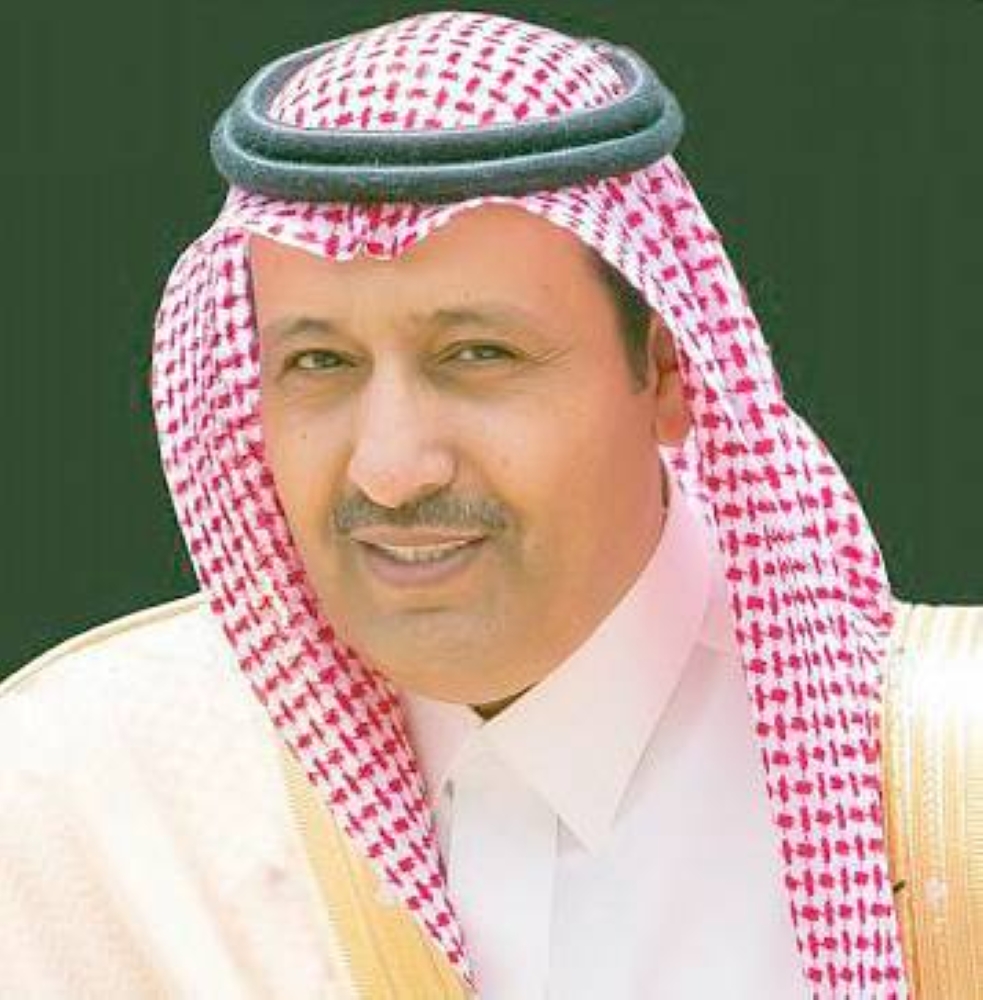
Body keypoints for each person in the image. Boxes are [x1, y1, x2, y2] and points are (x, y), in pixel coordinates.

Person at [1, 10, 978, 999]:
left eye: (477, 354)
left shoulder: (949, 782)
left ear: (666, 369)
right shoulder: (80, 801)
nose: (391, 469)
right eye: (320, 363)